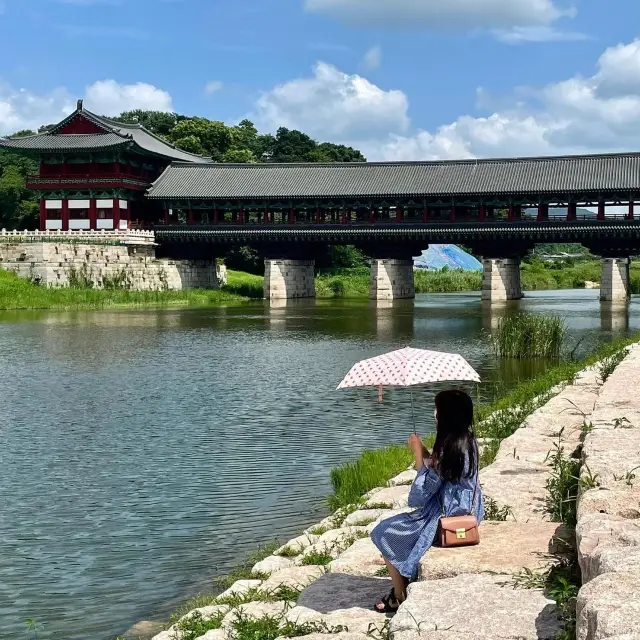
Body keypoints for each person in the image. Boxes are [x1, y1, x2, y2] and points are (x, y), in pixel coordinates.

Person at [371, 389, 484, 614]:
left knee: (382, 532)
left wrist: (416, 454)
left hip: (447, 515)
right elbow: (441, 470)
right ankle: (402, 582)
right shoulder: (466, 441)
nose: (434, 413)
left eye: (437, 409)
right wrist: (424, 450)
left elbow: (420, 495)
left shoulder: (449, 449)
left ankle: (399, 594)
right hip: (470, 510)